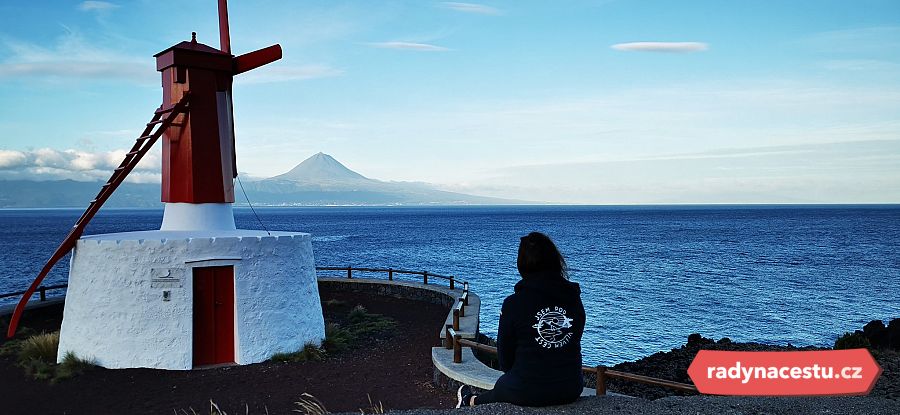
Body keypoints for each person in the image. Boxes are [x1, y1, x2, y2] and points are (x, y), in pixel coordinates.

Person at [457, 232, 586, 408]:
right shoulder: (573, 297)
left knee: (503, 386)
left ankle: (470, 401)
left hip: (528, 389)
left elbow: (505, 360)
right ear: (555, 261)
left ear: (522, 265)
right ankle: (471, 400)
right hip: (571, 386)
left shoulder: (513, 304)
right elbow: (574, 337)